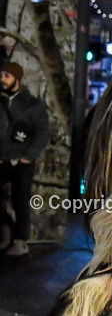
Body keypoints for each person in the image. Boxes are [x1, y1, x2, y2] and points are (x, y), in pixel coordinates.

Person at [0, 62, 50, 256]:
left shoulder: (32, 104)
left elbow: (43, 133)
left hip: (21, 162)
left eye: (7, 76)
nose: (2, 79)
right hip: (2, 160)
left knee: (20, 202)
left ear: (17, 79)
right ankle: (7, 231)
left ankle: (20, 241)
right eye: (1, 75)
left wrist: (28, 157)